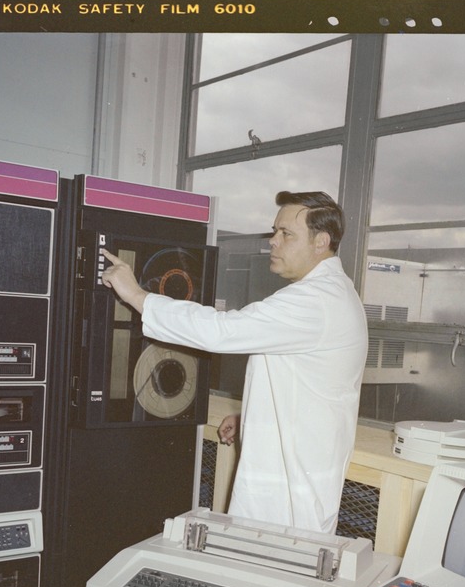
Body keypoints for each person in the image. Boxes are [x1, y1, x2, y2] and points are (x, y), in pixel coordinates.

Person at [100, 190, 367, 535]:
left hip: (289, 503)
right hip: (295, 480)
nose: (273, 241)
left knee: (267, 579)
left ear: (321, 242)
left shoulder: (316, 300)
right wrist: (254, 416)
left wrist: (136, 295)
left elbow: (221, 332)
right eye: (275, 231)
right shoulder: (332, 293)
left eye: (286, 234)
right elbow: (307, 384)